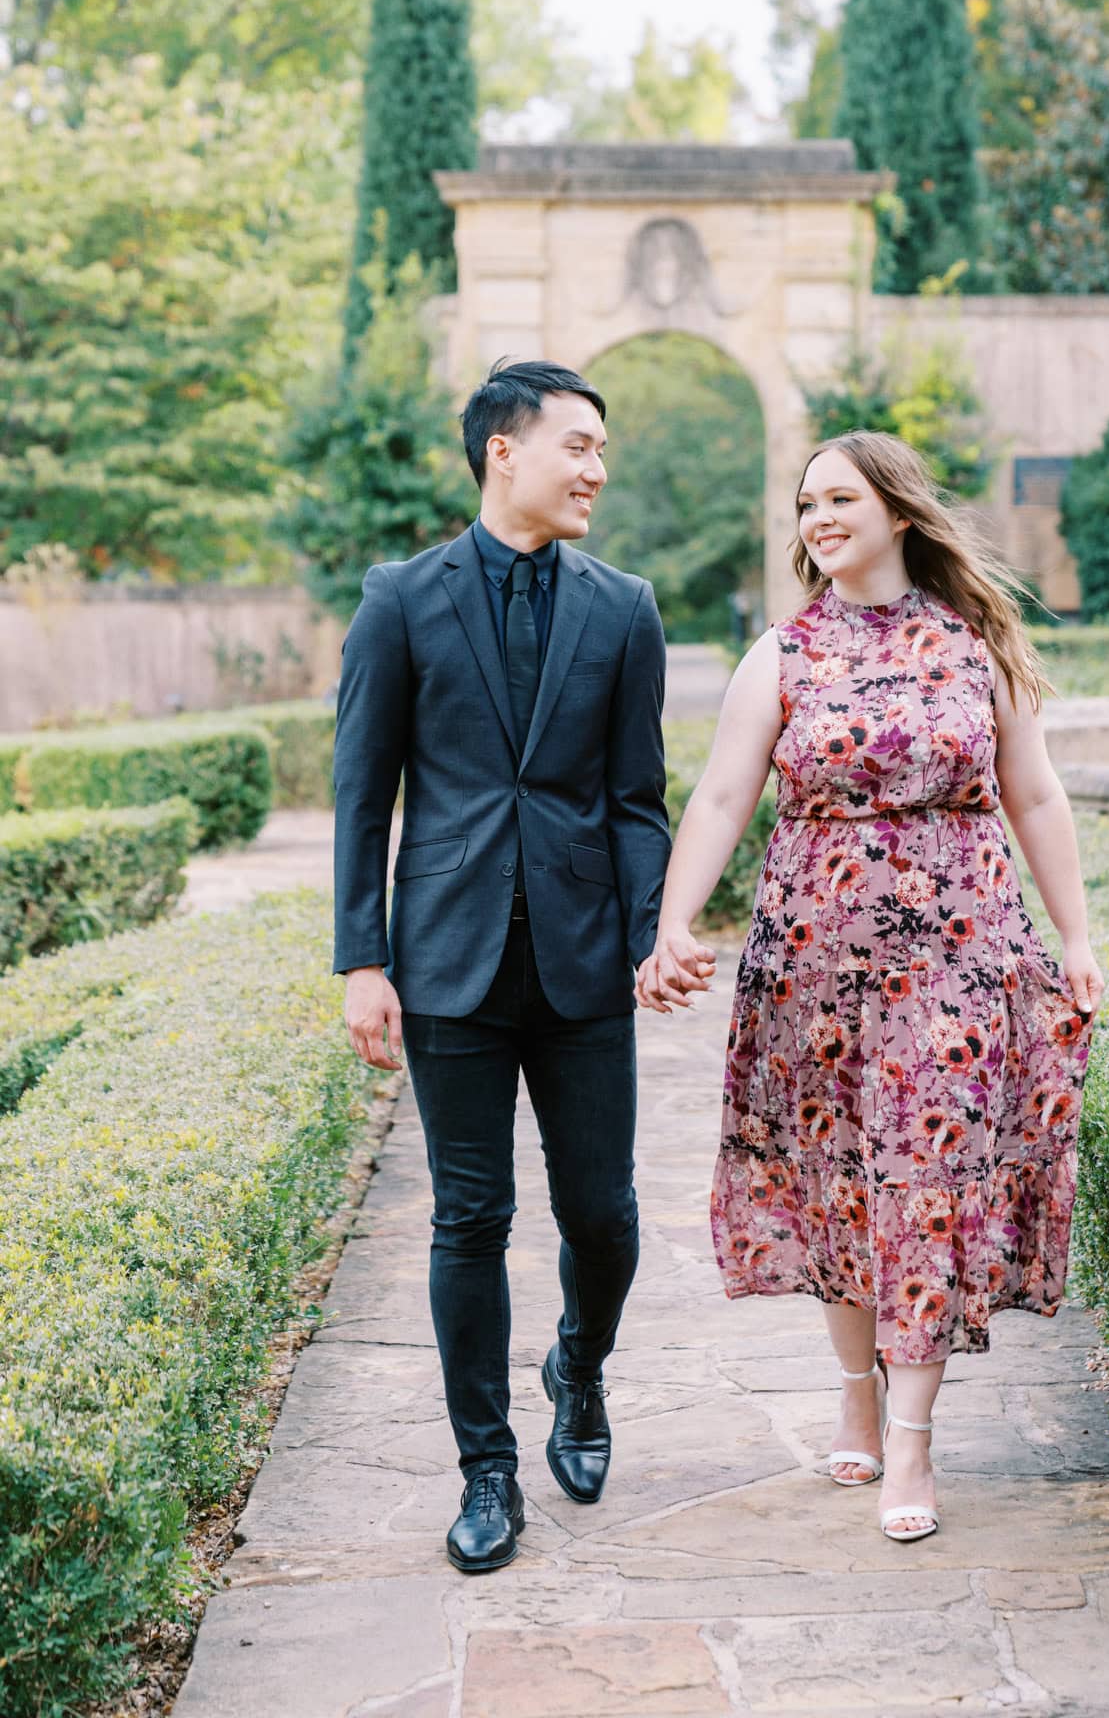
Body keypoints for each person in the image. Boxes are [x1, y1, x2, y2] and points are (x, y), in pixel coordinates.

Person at [635, 430, 1104, 1546]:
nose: (819, 519)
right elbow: (720, 797)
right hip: (813, 968)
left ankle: (912, 1435)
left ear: (896, 509)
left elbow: (1034, 795)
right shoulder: (780, 654)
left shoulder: (975, 645)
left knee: (927, 1180)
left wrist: (1075, 935)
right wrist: (672, 922)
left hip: (957, 960)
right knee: (840, 1181)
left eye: (840, 497)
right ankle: (855, 1389)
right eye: (806, 504)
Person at [333, 358, 676, 1576]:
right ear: (502, 450)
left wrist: (651, 932)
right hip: (447, 963)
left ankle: (578, 1365)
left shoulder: (624, 607)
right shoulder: (398, 599)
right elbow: (361, 791)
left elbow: (636, 799)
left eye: (601, 450)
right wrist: (361, 957)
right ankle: (486, 1468)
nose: (596, 469)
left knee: (603, 1212)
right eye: (578, 444)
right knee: (468, 1216)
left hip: (582, 963)